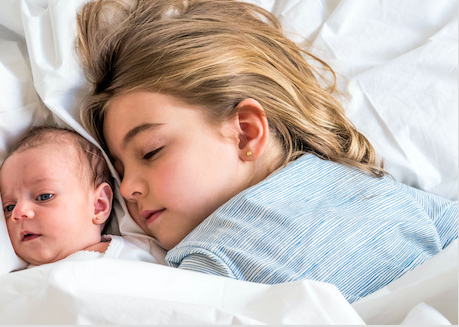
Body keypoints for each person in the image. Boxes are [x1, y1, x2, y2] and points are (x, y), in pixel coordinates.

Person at [75, 0, 458, 302]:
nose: (126, 191)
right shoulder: (204, 259)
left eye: (151, 151)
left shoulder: (363, 182)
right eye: (120, 171)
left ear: (245, 133)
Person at [0, 125, 163, 267]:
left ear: (98, 205)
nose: (18, 212)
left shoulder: (137, 254)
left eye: (44, 196)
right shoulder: (16, 282)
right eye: (9, 207)